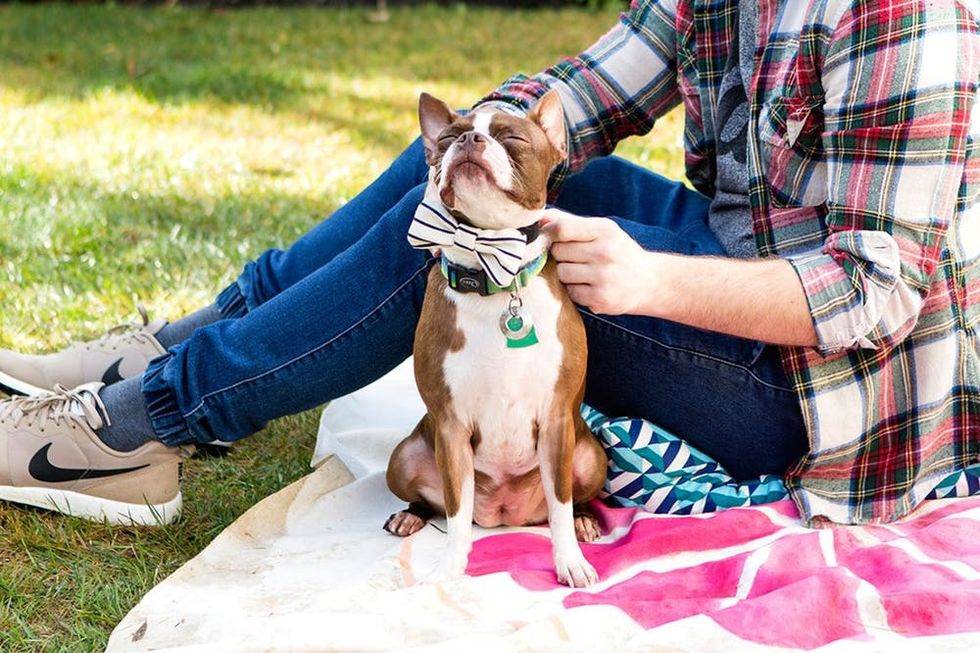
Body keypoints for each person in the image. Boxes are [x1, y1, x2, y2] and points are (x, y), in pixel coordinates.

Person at [1, 0, 977, 527]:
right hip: (735, 252)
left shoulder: (903, 15)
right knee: (470, 168)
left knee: (469, 237)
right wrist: (480, 137)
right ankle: (171, 351)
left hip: (827, 387)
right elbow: (584, 90)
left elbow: (873, 289)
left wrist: (648, 281)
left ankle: (149, 422)